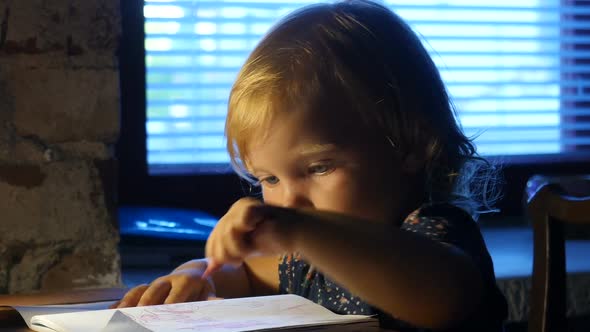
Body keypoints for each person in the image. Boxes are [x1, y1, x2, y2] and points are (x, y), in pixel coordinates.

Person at [114, 1, 508, 330]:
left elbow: (439, 298)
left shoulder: (434, 230)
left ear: (411, 144)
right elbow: (245, 273)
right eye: (268, 178)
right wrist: (196, 273)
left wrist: (302, 232)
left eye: (319, 168)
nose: (289, 203)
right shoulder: (309, 259)